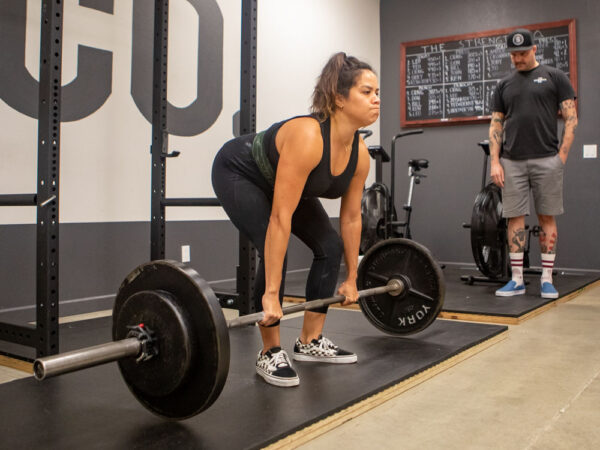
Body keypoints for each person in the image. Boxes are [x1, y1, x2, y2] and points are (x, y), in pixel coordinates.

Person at [211, 52, 380, 387]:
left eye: (377, 93)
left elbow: (349, 219)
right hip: (241, 172)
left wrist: (352, 278)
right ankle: (269, 351)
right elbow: (280, 218)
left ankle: (310, 340)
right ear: (339, 98)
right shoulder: (308, 137)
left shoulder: (360, 155)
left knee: (329, 245)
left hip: (280, 182)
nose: (376, 100)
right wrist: (271, 295)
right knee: (276, 246)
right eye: (366, 92)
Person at [489, 28, 578, 299]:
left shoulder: (555, 77)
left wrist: (561, 157)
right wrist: (495, 161)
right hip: (512, 161)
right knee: (514, 218)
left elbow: (571, 119)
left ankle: (547, 279)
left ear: (534, 49)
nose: (518, 59)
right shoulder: (504, 84)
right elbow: (496, 123)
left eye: (523, 53)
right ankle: (516, 279)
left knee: (547, 217)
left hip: (546, 160)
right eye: (513, 55)